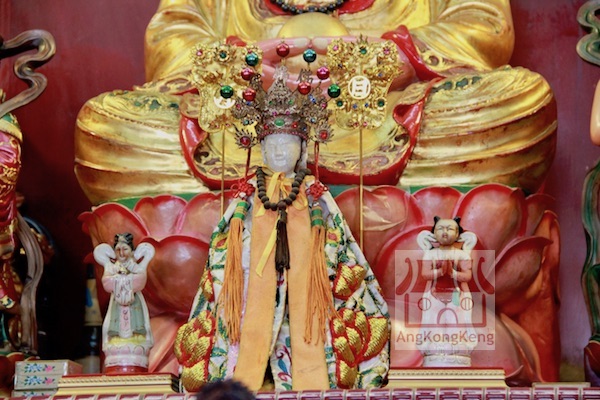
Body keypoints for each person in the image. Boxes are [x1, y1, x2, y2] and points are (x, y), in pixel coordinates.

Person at [74, 0, 556, 205]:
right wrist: (239, 64)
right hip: (245, 120)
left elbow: (482, 24)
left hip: (382, 110)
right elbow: (172, 38)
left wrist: (396, 58)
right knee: (107, 128)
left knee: (518, 102)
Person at [173, 66, 390, 391]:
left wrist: (316, 261)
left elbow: (337, 244)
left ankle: (309, 373)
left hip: (307, 297)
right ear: (260, 148)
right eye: (271, 144)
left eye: (287, 144)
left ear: (302, 148)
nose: (278, 151)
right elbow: (225, 249)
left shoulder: (314, 194)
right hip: (252, 291)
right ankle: (249, 373)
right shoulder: (247, 196)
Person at [416, 217, 477, 366]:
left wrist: (452, 273)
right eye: (440, 228)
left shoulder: (462, 255)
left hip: (456, 294)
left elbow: (467, 276)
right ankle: (436, 343)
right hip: (435, 294)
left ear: (457, 234)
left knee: (454, 317)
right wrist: (440, 272)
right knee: (436, 318)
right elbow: (425, 274)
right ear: (434, 233)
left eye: (449, 229)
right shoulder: (430, 254)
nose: (445, 232)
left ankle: (455, 343)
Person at [94, 233, 155, 373]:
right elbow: (106, 283)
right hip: (116, 306)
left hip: (134, 305)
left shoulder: (135, 267)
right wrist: (122, 279)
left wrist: (122, 279)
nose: (121, 253)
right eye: (118, 250)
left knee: (137, 337)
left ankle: (137, 346)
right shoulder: (112, 267)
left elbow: (140, 281)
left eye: (125, 249)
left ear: (132, 251)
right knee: (114, 336)